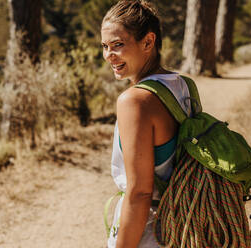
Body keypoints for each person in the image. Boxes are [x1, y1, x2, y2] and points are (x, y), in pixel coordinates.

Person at [101, 1, 192, 247]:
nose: (109, 55)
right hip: (183, 222)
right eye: (105, 46)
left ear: (148, 42)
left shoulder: (134, 101)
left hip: (150, 231)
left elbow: (140, 192)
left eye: (118, 45)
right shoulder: (180, 84)